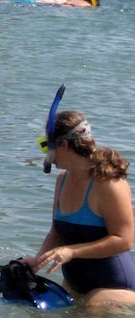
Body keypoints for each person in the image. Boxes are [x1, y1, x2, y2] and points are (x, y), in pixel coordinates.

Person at [23, 110, 135, 306]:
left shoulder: (109, 184)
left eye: (46, 145)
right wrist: (37, 262)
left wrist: (72, 252)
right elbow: (57, 232)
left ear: (64, 144)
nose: (46, 154)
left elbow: (124, 240)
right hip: (76, 285)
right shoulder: (62, 180)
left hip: (115, 288)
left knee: (94, 304)